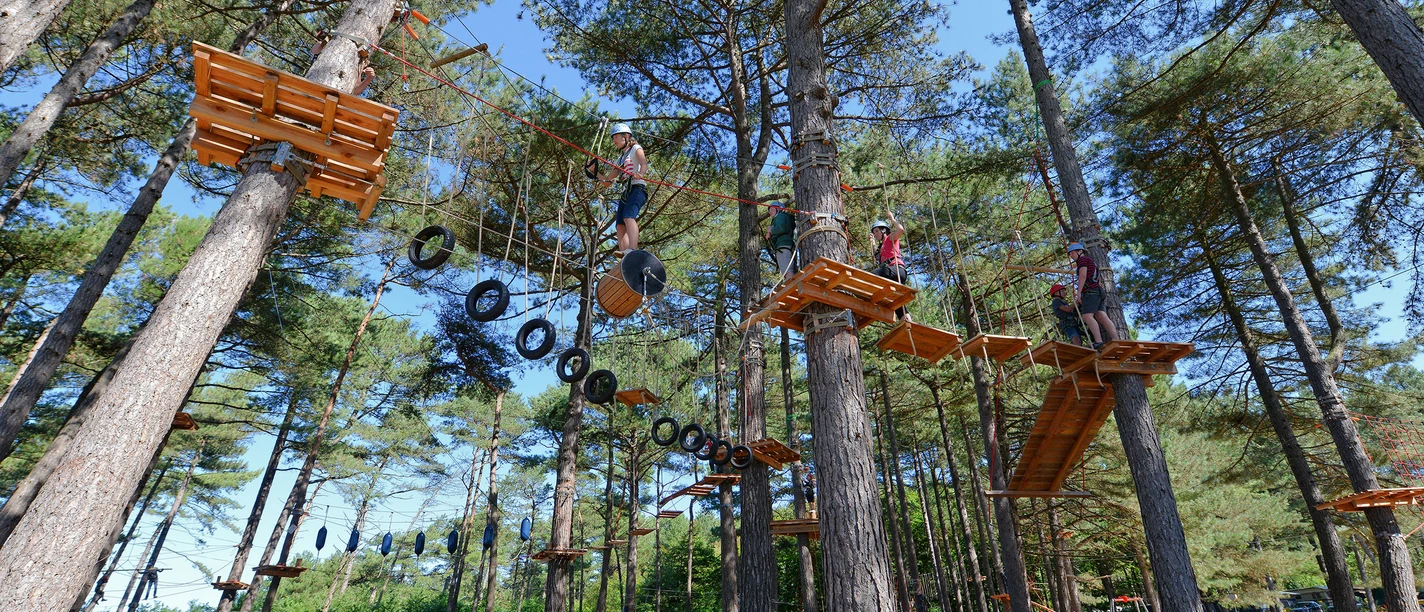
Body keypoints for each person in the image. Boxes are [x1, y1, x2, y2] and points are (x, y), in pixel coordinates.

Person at [595, 123, 649, 255]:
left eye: (616, 137)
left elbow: (643, 163)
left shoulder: (636, 148)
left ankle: (632, 249)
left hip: (637, 188)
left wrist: (640, 174)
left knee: (628, 217)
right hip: (627, 191)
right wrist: (594, 172)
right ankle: (625, 254)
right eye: (613, 138)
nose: (614, 141)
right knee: (619, 225)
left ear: (626, 136)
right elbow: (607, 182)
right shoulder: (620, 159)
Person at [1068, 242, 1119, 349]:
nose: (1071, 256)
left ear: (1080, 251)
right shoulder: (1091, 262)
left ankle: (1099, 341)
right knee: (1101, 315)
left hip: (1090, 291)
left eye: (1072, 253)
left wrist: (1079, 293)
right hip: (1098, 290)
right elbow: (1097, 278)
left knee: (1087, 316)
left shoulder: (1082, 260)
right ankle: (1117, 339)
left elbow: (1083, 275)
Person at [870, 211, 910, 322]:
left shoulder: (890, 238)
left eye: (877, 231)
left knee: (871, 275)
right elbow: (876, 256)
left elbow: (900, 230)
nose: (876, 234)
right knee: (895, 302)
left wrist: (892, 218)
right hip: (892, 272)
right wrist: (872, 241)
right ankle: (907, 321)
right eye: (874, 232)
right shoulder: (881, 248)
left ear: (884, 230)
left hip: (896, 269)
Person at [766, 202, 797, 282]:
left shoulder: (780, 216)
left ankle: (791, 287)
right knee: (792, 269)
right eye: (769, 210)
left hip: (782, 245)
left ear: (779, 209)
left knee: (787, 271)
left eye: (772, 209)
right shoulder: (786, 218)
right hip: (789, 244)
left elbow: (780, 228)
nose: (770, 212)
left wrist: (771, 230)